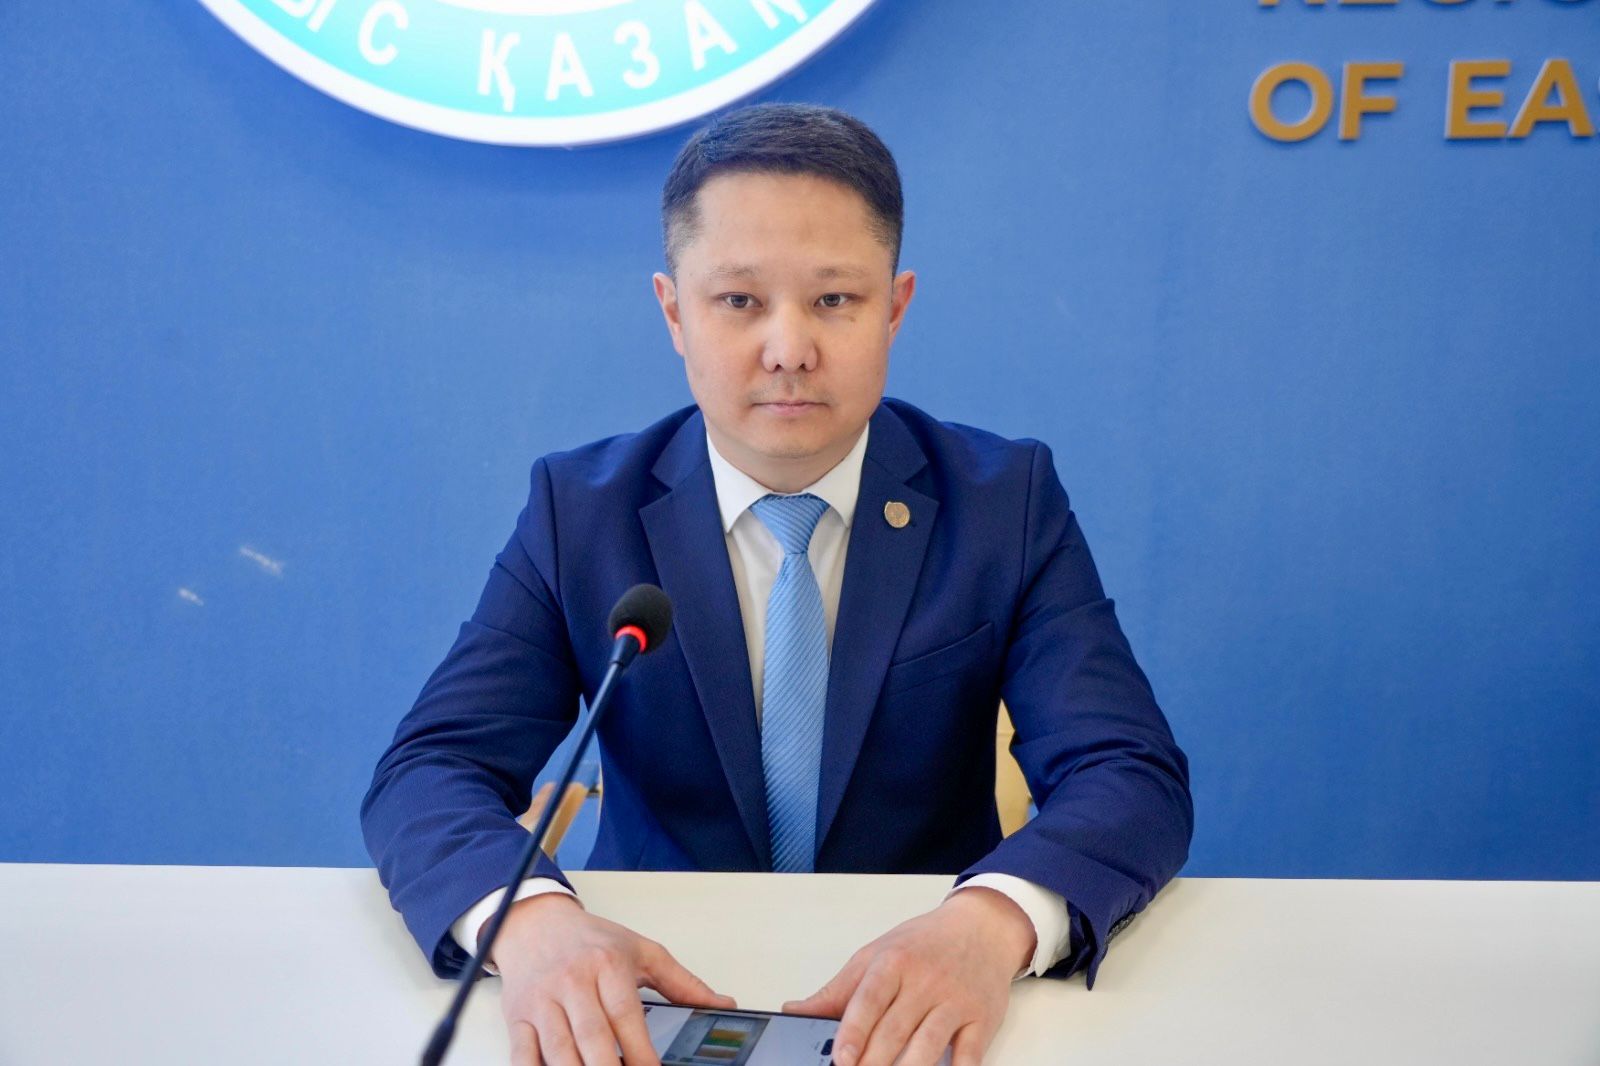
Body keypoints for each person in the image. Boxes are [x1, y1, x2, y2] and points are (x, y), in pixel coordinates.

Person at [362, 102, 1192, 1066]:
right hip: (651, 991)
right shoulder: (581, 513)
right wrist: (534, 923)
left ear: (895, 307)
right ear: (674, 312)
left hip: (919, 988)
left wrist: (992, 920)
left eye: (835, 300)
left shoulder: (1002, 503)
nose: (790, 347)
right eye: (739, 301)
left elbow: (1127, 773)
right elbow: (431, 770)